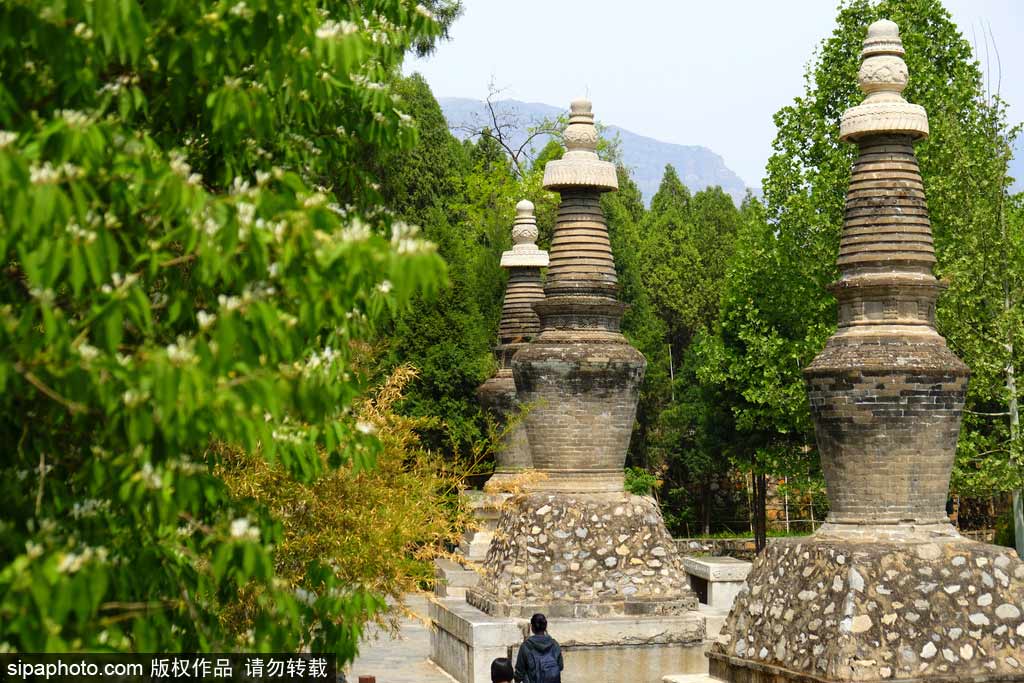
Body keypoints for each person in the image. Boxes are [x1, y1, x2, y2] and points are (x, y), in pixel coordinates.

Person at [514, 613, 563, 683]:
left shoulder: (526, 646)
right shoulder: (554, 644)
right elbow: (560, 666)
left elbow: (519, 673)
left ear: (532, 627)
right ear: (545, 626)